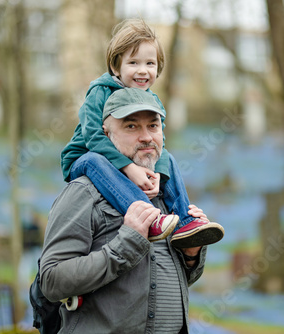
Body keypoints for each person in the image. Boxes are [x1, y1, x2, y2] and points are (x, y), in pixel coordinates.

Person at [40, 88, 208, 333]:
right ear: (106, 135)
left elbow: (164, 281)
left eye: (153, 126)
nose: (146, 137)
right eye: (131, 127)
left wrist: (191, 255)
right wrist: (127, 243)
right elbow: (52, 281)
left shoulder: (164, 192)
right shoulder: (84, 192)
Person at [60, 18, 223, 248]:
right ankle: (149, 216)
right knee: (93, 159)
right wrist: (130, 168)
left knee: (168, 156)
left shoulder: (151, 99)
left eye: (150, 63)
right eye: (133, 63)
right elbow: (93, 137)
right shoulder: (100, 91)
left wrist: (154, 173)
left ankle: (184, 221)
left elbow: (158, 143)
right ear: (116, 67)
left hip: (120, 158)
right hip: (84, 158)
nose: (143, 71)